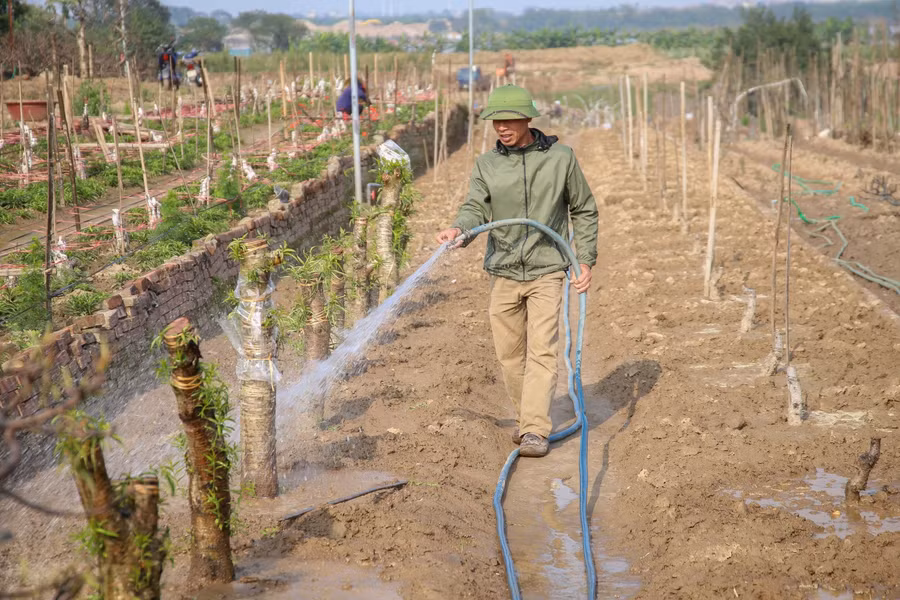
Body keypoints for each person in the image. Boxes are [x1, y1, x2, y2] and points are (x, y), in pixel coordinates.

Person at [436, 85, 598, 458]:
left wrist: (585, 259)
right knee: (510, 355)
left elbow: (584, 209)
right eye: (496, 121)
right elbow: (475, 207)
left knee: (542, 351)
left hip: (547, 268)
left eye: (508, 120)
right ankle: (527, 419)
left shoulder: (561, 159)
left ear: (527, 119)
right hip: (504, 269)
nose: (501, 128)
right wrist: (459, 228)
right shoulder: (487, 165)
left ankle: (535, 430)